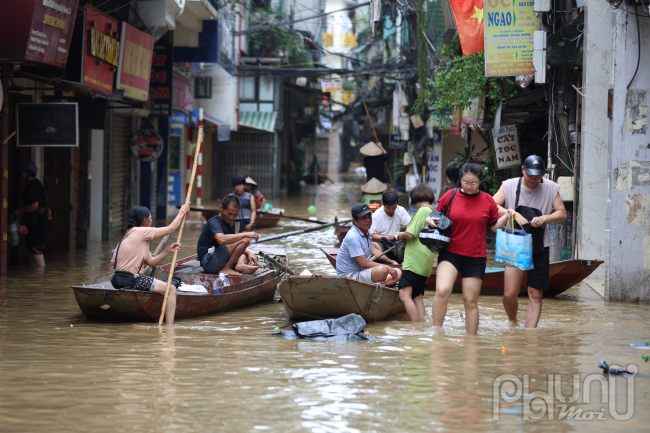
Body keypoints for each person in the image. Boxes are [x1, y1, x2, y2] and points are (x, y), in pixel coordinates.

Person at [429, 157, 513, 334]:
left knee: (470, 301)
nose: (469, 186)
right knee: (442, 290)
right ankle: (436, 334)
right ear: (460, 180)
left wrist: (506, 217)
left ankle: (472, 342)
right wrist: (429, 219)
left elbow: (494, 226)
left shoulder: (488, 200)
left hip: (475, 257)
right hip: (450, 252)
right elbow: (435, 214)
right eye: (465, 182)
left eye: (473, 182)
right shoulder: (449, 196)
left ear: (480, 181)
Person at [493, 155, 567, 328]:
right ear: (523, 170)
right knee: (510, 294)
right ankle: (513, 322)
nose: (534, 179)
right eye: (530, 175)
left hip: (540, 246)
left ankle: (531, 335)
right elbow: (490, 205)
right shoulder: (509, 185)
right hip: (514, 246)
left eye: (538, 176)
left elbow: (562, 214)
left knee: (535, 293)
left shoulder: (550, 187)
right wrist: (510, 212)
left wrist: (545, 218)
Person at [109, 203, 191, 325]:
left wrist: (167, 250)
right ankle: (169, 328)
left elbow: (151, 262)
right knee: (172, 289)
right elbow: (171, 229)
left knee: (163, 285)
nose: (152, 221)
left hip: (116, 280)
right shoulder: (141, 231)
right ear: (144, 220)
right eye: (150, 218)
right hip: (132, 281)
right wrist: (182, 211)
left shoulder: (130, 235)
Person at [393, 184, 437, 322]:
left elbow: (410, 234)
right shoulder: (432, 211)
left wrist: (399, 235)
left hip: (414, 260)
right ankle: (421, 327)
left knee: (404, 295)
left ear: (416, 197)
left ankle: (414, 325)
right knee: (417, 295)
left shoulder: (422, 210)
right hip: (426, 262)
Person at [336, 203, 401, 286]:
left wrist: (391, 261)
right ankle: (376, 284)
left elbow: (373, 251)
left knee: (398, 272)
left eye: (369, 217)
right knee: (382, 270)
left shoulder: (367, 231)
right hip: (349, 277)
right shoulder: (352, 236)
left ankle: (377, 284)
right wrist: (387, 268)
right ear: (355, 221)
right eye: (363, 218)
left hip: (362, 272)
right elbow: (364, 263)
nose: (368, 220)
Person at [197, 195, 260, 276]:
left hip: (219, 257)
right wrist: (246, 234)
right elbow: (221, 240)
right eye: (229, 214)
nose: (232, 217)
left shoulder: (232, 223)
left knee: (243, 251)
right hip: (209, 262)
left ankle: (240, 265)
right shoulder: (214, 222)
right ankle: (227, 268)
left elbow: (235, 245)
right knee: (245, 239)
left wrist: (249, 253)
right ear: (221, 208)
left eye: (235, 214)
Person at [14, 161, 52, 267]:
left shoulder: (33, 187)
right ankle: (34, 274)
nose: (21, 174)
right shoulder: (36, 184)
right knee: (31, 246)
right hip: (40, 221)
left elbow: (34, 206)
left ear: (28, 173)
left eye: (23, 172)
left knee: (35, 247)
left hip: (40, 221)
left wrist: (20, 210)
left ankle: (40, 274)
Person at [369, 191, 411, 265]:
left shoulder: (401, 210)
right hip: (382, 242)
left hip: (398, 241)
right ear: (383, 203)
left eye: (394, 207)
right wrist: (386, 237)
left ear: (397, 203)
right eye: (388, 207)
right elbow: (372, 235)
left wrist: (406, 228)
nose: (391, 210)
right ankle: (390, 261)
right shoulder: (377, 215)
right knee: (370, 246)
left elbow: (411, 225)